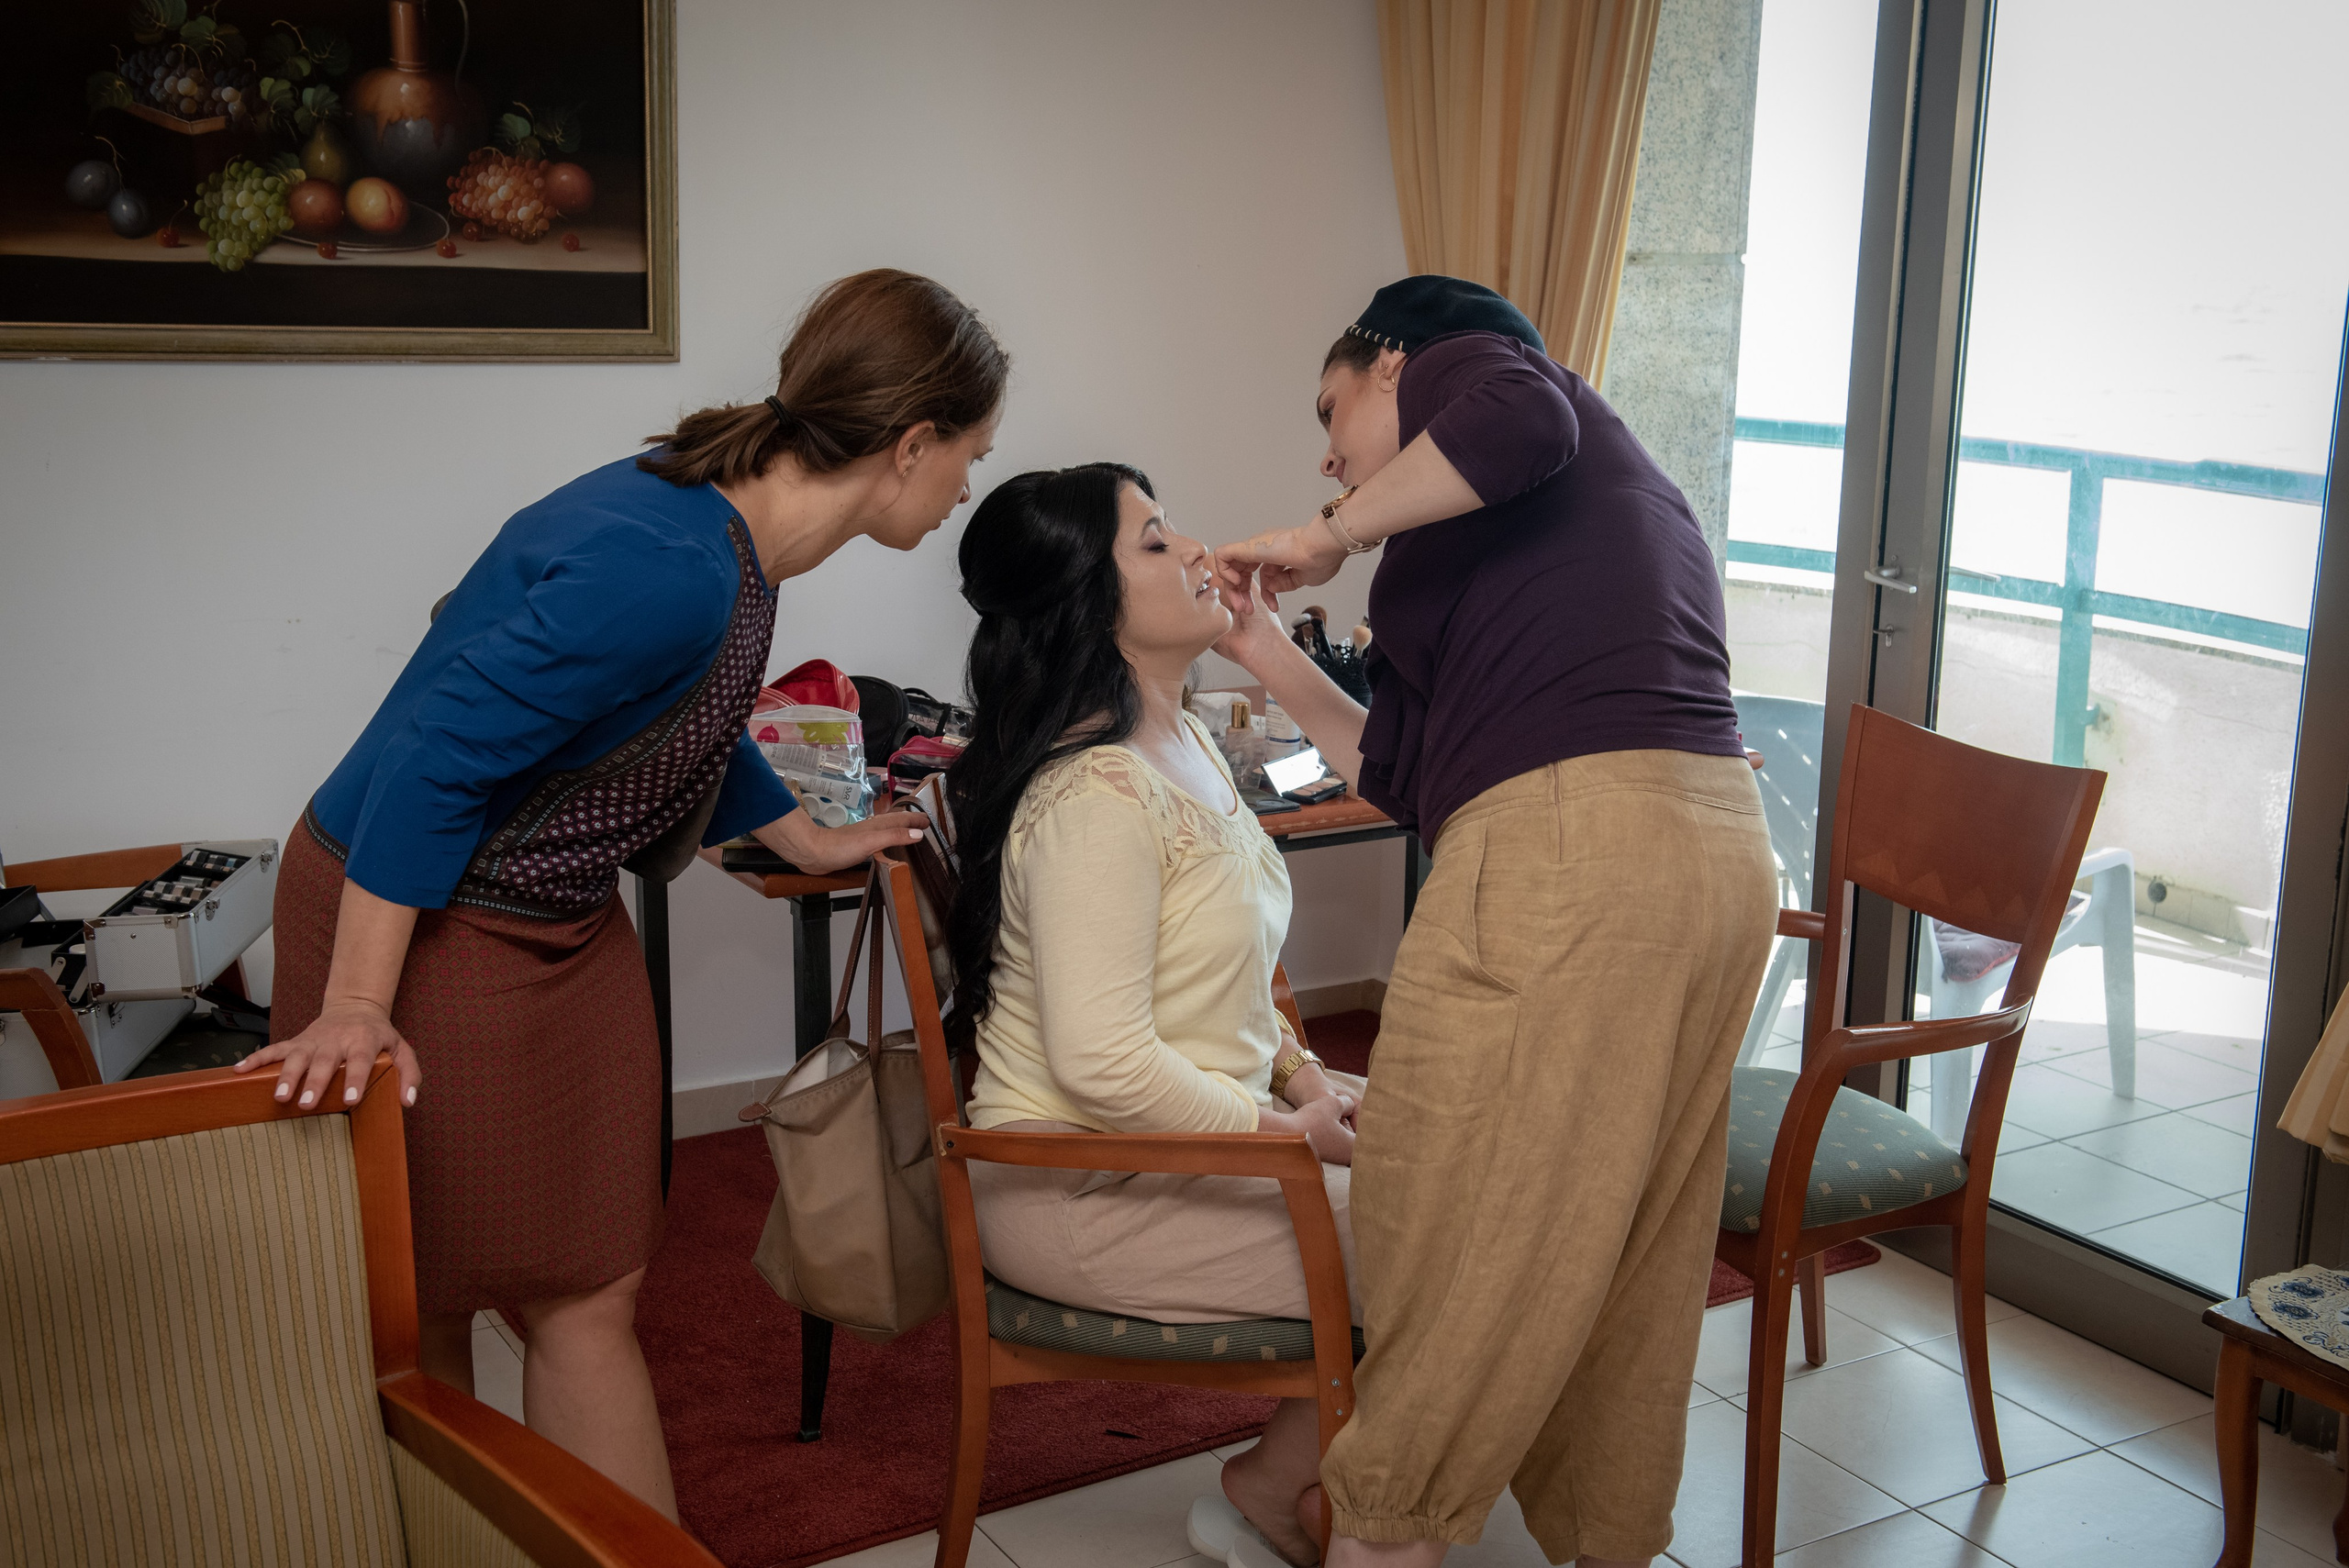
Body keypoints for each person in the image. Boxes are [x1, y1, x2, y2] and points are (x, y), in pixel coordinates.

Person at [237, 269, 1007, 1519]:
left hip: (546, 903)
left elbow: (682, 705)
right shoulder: (672, 566)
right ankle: (446, 1531)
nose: (968, 482)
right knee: (436, 1286)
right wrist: (357, 1003)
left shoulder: (732, 526)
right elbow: (437, 760)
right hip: (414, 903)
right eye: (969, 453)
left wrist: (803, 840)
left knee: (590, 1280)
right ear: (911, 444)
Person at [1212, 276, 1778, 1568]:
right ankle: (1602, 1533)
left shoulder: (1500, 383)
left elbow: (1515, 418)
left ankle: (1387, 1532)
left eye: (1332, 406)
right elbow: (1406, 775)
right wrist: (1267, 654)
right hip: (1710, 853)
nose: (1325, 446)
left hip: (1580, 854)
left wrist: (1327, 529)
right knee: (1622, 1239)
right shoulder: (1539, 527)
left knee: (1458, 1220)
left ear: (1398, 364)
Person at [947, 462, 1363, 1567]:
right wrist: (1290, 1140)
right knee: (1471, 1242)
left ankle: (1318, 1483)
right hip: (1089, 1181)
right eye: (1152, 539)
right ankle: (1281, 1490)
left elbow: (1231, 984)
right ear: (1088, 598)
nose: (1194, 551)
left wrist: (1305, 1080)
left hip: (1197, 1128)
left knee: (1488, 1155)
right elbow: (1101, 1063)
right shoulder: (1092, 795)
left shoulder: (1181, 748)